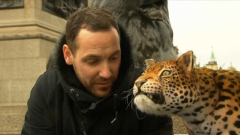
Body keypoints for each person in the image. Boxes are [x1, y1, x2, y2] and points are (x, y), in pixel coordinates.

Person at [21, 7, 173, 135]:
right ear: (68, 55)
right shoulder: (48, 90)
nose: (106, 73)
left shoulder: (148, 88)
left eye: (114, 58)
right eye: (93, 61)